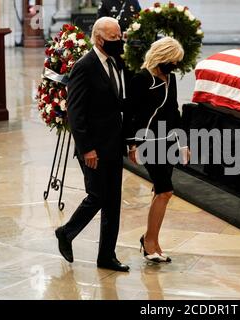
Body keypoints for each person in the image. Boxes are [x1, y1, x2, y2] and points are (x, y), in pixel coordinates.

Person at [54, 17, 132, 272]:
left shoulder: (117, 62)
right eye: (113, 38)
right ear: (98, 39)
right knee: (97, 196)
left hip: (114, 143)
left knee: (113, 202)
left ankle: (106, 256)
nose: (118, 42)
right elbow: (75, 113)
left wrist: (130, 139)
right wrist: (87, 148)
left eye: (120, 37)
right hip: (94, 148)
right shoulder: (84, 67)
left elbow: (120, 102)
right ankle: (66, 232)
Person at [127, 37, 187, 263]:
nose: (175, 66)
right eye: (173, 61)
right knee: (165, 191)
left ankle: (152, 239)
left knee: (160, 192)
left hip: (169, 140)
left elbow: (174, 111)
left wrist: (183, 142)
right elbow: (131, 114)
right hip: (148, 141)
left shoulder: (170, 78)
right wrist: (132, 143)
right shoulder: (141, 79)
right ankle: (149, 241)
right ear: (162, 57)